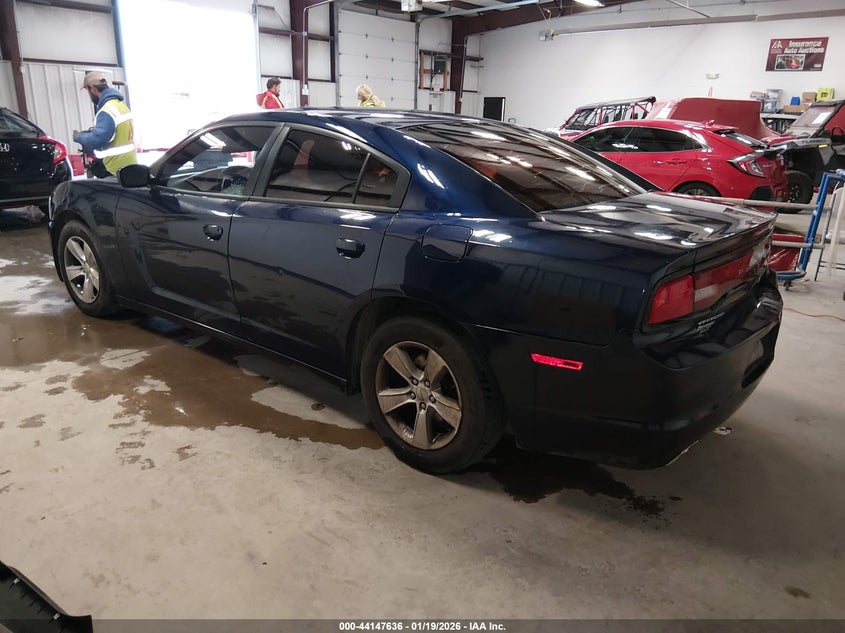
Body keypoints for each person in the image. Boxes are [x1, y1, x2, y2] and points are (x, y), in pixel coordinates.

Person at [73, 71, 137, 178]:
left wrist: (79, 136)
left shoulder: (107, 110)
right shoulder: (121, 106)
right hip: (129, 164)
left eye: (88, 90)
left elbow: (97, 140)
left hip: (114, 169)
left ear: (93, 89)